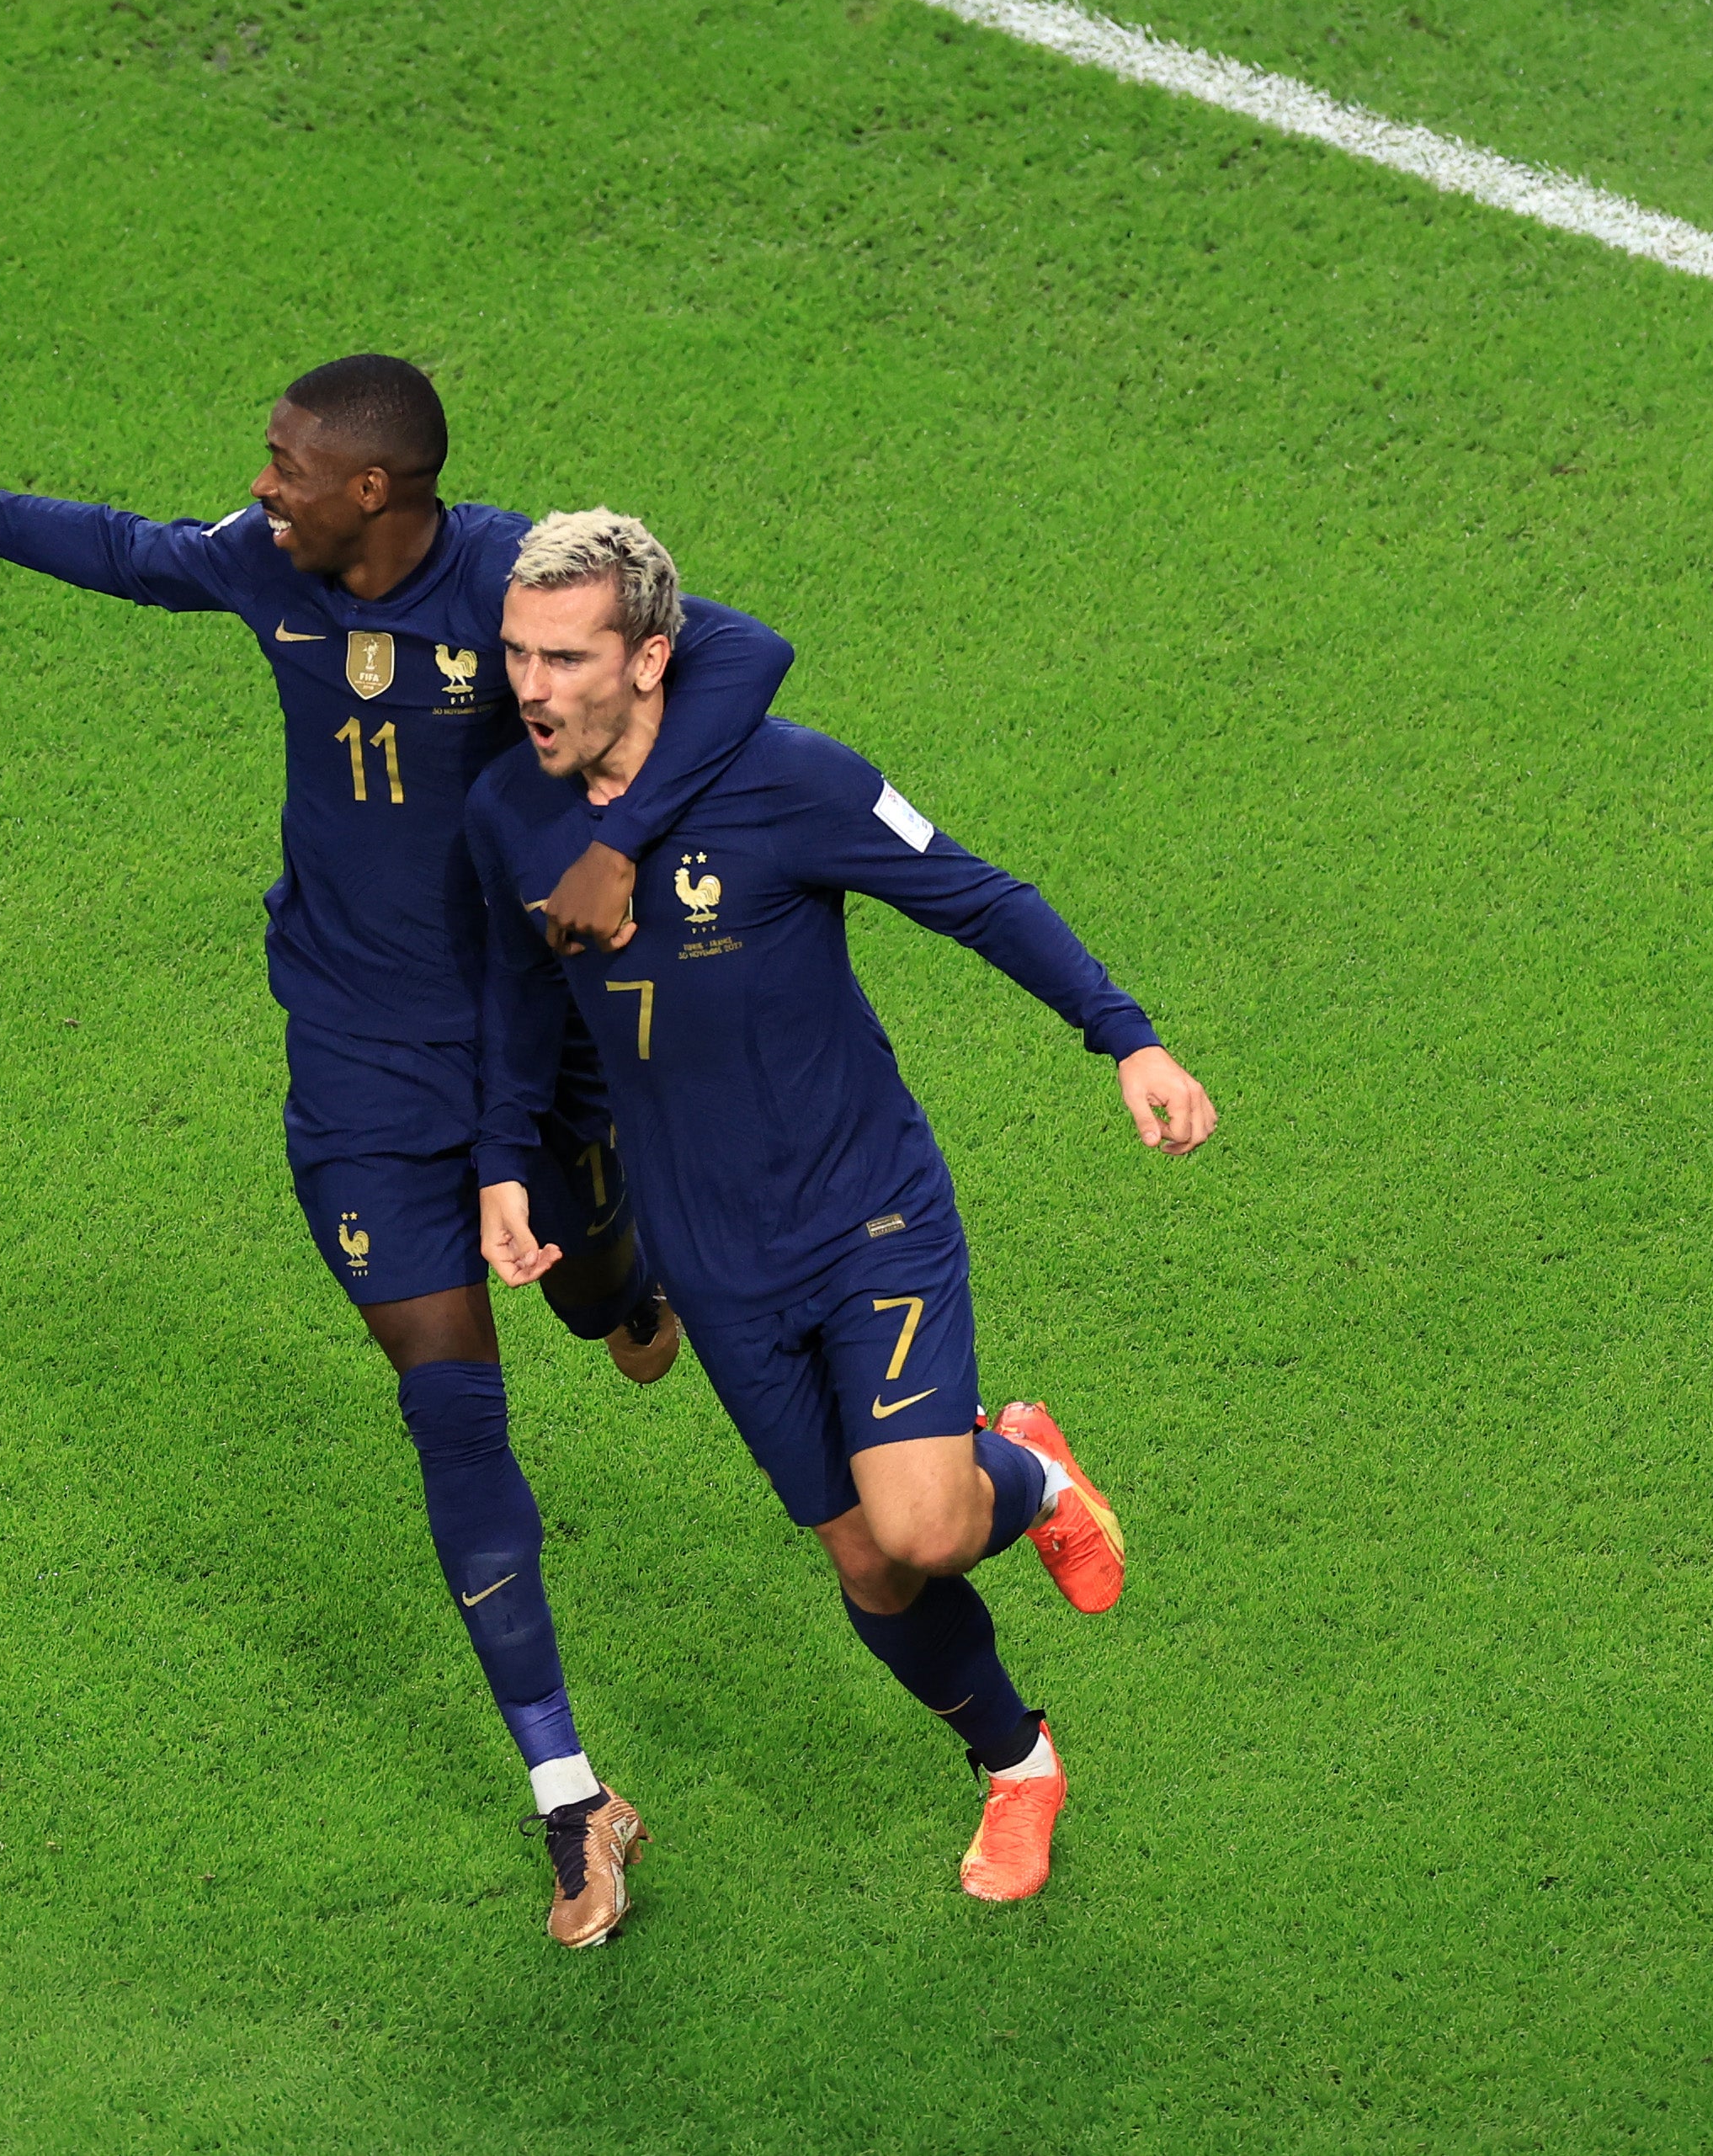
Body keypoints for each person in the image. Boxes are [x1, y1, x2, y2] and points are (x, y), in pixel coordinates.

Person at [0, 359, 795, 1945]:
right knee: (452, 1406)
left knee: (608, 1307)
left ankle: (624, 1282)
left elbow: (737, 654)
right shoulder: (263, 561)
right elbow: (119, 547)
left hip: (530, 1052)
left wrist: (614, 840)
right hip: (359, 1074)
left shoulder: (517, 588)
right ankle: (571, 1796)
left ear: (377, 490)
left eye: (290, 465)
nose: (263, 486)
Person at [467, 508, 1216, 1903]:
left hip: (866, 1213)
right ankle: (1020, 1764)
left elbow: (976, 896)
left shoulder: (789, 780)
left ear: (650, 660)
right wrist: (504, 1158)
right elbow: (520, 1001)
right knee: (872, 1561)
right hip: (716, 1256)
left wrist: (1129, 1037)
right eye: (517, 654)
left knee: (927, 1524)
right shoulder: (509, 812)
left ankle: (1032, 1474)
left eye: (566, 658)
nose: (531, 686)